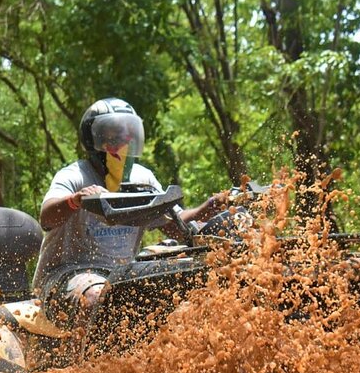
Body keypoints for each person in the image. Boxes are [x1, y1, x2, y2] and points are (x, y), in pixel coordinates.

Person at [32, 97, 226, 330]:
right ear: (93, 140)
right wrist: (76, 200)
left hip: (122, 273)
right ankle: (88, 365)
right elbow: (46, 217)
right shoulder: (75, 176)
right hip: (64, 275)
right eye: (112, 138)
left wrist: (204, 210)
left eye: (126, 138)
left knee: (180, 283)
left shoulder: (142, 178)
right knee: (97, 296)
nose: (121, 146)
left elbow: (172, 225)